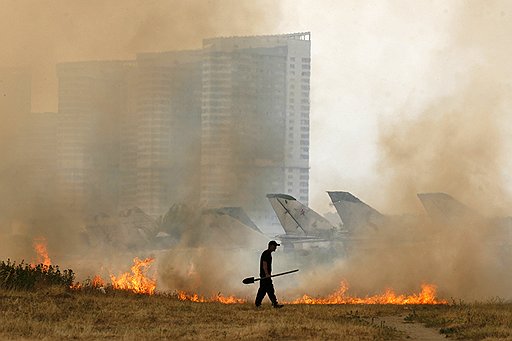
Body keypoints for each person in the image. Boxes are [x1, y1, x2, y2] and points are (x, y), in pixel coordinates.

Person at [255, 240, 284, 308]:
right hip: (265, 276)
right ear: (271, 246)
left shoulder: (268, 253)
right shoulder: (266, 253)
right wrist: (267, 274)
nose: (276, 248)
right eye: (275, 246)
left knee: (263, 290)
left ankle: (258, 303)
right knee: (269, 289)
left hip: (265, 275)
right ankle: (274, 304)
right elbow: (264, 264)